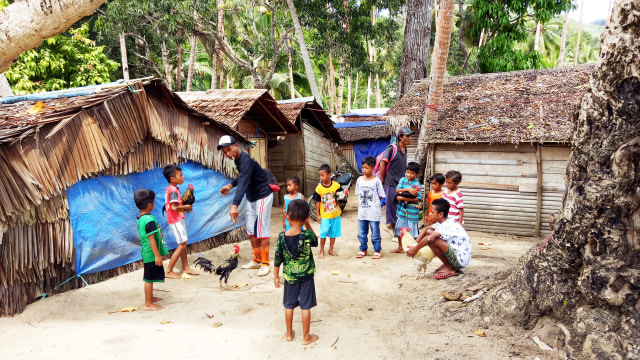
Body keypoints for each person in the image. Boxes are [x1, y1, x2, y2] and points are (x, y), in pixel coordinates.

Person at [218, 135, 274, 276]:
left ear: (236, 145)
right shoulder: (238, 160)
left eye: (229, 150)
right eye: (225, 152)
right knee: (250, 229)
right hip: (252, 196)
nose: (227, 154)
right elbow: (243, 176)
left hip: (263, 195)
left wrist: (234, 205)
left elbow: (243, 181)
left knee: (262, 230)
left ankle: (266, 263)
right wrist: (230, 185)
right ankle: (257, 259)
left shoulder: (245, 159)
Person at [273, 199, 319, 345]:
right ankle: (306, 337)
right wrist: (307, 224)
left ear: (287, 216)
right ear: (306, 218)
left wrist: (275, 276)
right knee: (306, 306)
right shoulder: (308, 236)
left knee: (289, 305)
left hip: (289, 278)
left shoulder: (281, 237)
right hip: (306, 277)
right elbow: (315, 242)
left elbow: (277, 258)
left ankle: (288, 334)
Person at [406, 198, 471, 280]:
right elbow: (426, 229)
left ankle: (450, 268)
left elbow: (429, 238)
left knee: (432, 239)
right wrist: (414, 244)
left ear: (440, 214)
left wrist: (415, 249)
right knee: (430, 232)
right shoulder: (444, 221)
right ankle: (449, 264)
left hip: (460, 260)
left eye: (432, 212)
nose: (430, 214)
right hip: (459, 256)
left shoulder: (446, 225)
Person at [134, 189, 169, 311]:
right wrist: (157, 255)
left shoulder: (142, 217)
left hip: (147, 252)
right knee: (148, 278)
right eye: (154, 202)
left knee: (151, 275)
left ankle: (151, 297)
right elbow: (151, 239)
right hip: (150, 253)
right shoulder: (149, 220)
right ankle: (148, 304)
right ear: (150, 205)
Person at [163, 164, 197, 279]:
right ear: (172, 179)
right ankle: (168, 271)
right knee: (181, 244)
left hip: (178, 219)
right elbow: (173, 207)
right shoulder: (172, 191)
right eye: (180, 175)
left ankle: (185, 267)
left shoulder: (174, 189)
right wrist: (185, 207)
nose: (183, 177)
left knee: (184, 243)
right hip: (175, 220)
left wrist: (184, 207)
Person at [379, 126, 413, 239]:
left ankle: (390, 227)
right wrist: (383, 180)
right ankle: (394, 232)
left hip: (400, 184)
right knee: (391, 207)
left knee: (399, 207)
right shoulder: (392, 148)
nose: (409, 138)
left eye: (410, 136)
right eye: (407, 136)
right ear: (400, 137)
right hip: (391, 182)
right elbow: (383, 163)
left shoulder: (405, 150)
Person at [355, 156, 385, 259]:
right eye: (363, 167)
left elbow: (380, 195)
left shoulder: (376, 181)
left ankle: (377, 250)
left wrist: (375, 204)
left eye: (367, 168)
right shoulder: (359, 180)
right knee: (361, 232)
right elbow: (358, 193)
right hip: (362, 211)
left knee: (375, 232)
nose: (364, 170)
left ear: (373, 168)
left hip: (373, 211)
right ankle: (363, 249)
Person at [391, 162, 422, 253]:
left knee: (413, 231)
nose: (409, 175)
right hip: (401, 210)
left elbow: (417, 199)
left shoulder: (417, 184)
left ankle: (413, 249)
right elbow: (397, 190)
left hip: (412, 211)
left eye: (412, 173)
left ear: (417, 174)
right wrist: (408, 189)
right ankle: (400, 247)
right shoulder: (402, 180)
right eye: (407, 172)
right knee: (400, 228)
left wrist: (402, 198)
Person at [313, 164, 341, 259]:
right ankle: (321, 251)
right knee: (323, 233)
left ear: (329, 175)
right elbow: (317, 202)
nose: (321, 177)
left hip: (335, 214)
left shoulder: (336, 186)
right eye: (319, 175)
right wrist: (318, 215)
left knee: (333, 233)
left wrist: (341, 198)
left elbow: (341, 197)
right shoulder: (319, 188)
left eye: (322, 175)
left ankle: (331, 249)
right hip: (325, 215)